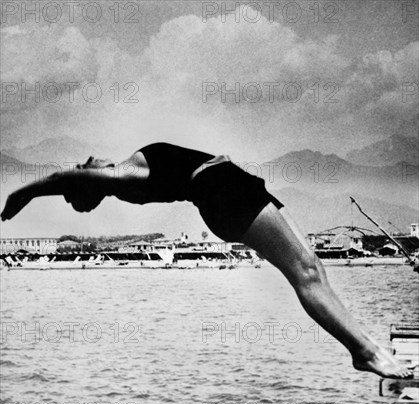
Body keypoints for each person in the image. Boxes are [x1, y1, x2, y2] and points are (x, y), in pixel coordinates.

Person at [1, 142, 413, 378]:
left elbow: (68, 179)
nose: (86, 159)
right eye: (81, 169)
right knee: (306, 274)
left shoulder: (127, 170)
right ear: (90, 181)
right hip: (222, 193)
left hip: (230, 188)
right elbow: (59, 179)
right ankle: (364, 352)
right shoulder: (120, 177)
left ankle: (366, 347)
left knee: (312, 270)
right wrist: (23, 195)